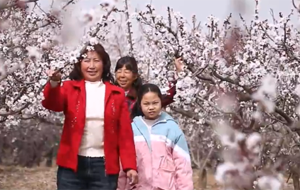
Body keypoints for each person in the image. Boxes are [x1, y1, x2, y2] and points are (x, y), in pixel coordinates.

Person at [41, 43, 138, 190]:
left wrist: (130, 166)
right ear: (79, 64)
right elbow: (52, 104)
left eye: (96, 60)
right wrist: (54, 82)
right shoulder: (69, 88)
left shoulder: (116, 94)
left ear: (104, 64)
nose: (91, 65)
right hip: (72, 165)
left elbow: (125, 135)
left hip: (104, 167)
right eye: (87, 60)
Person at [118, 83, 194, 190]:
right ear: (139, 104)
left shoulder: (172, 128)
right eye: (146, 104)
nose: (151, 107)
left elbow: (183, 165)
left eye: (155, 103)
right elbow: (122, 164)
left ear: (161, 102)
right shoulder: (131, 129)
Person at [114, 56, 183, 113]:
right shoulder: (109, 93)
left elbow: (167, 97)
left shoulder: (141, 94)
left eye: (126, 72)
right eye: (119, 71)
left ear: (135, 76)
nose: (122, 75)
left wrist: (177, 73)